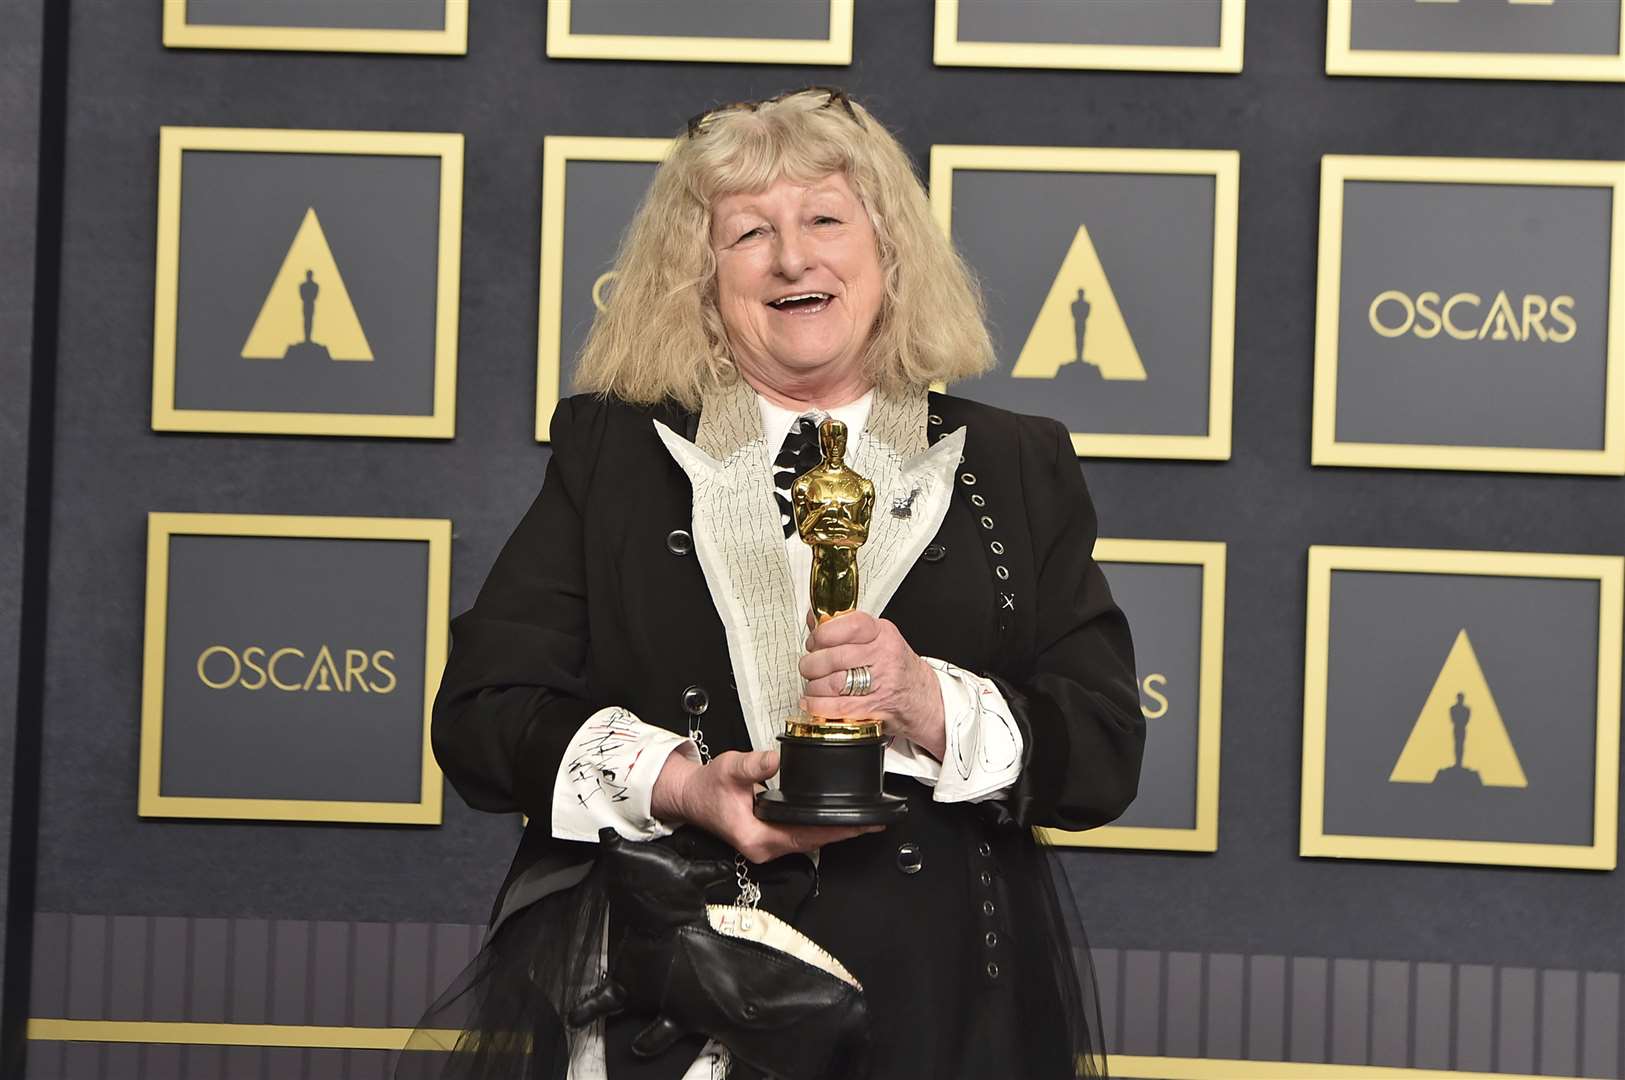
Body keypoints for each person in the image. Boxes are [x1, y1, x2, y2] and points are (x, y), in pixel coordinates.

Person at [406, 87, 1144, 1080]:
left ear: (886, 253)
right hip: (672, 1003)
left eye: (825, 219)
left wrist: (925, 701)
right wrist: (684, 784)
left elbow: (1097, 752)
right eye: (749, 232)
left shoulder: (1015, 462)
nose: (792, 257)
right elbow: (485, 715)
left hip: (937, 1014)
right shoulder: (613, 453)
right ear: (701, 282)